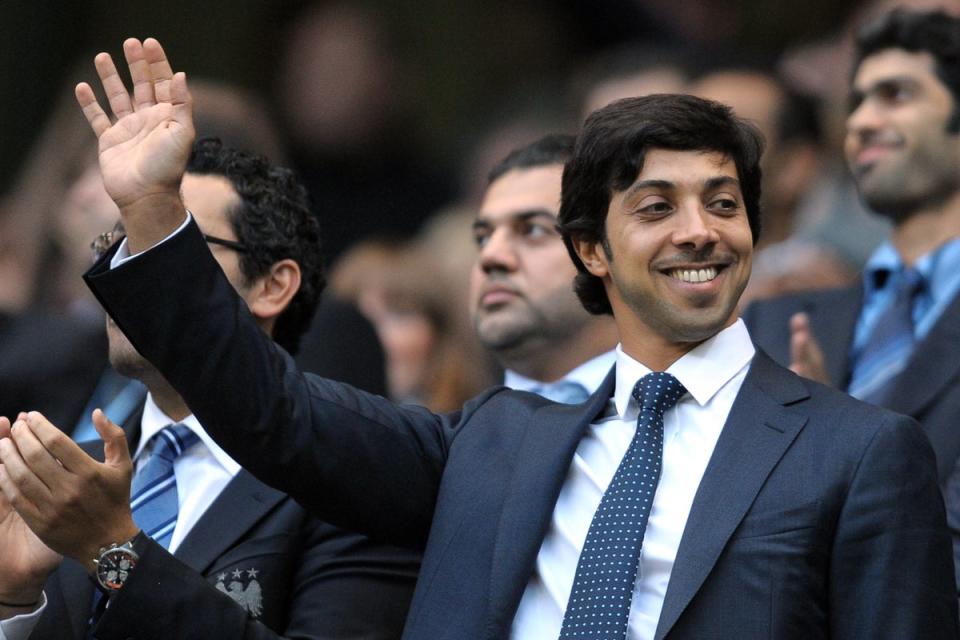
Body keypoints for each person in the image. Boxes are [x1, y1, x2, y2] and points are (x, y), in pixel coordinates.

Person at [6, 38, 957, 639]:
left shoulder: (860, 452)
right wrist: (155, 216)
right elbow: (271, 409)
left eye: (723, 203)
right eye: (656, 207)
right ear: (593, 247)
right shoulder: (489, 442)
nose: (699, 231)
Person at [0, 138, 418, 639]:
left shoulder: (354, 477)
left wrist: (113, 554)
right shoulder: (70, 478)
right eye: (114, 245)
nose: (121, 273)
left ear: (272, 285)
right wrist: (12, 599)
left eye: (162, 250)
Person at [741, 8, 960, 585]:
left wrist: (837, 449)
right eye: (857, 100)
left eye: (895, 95)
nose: (862, 121)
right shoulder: (774, 321)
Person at [470, 134, 618, 400]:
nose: (490, 257)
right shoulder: (453, 436)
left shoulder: (686, 419)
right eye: (483, 237)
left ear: (603, 250)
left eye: (533, 230)